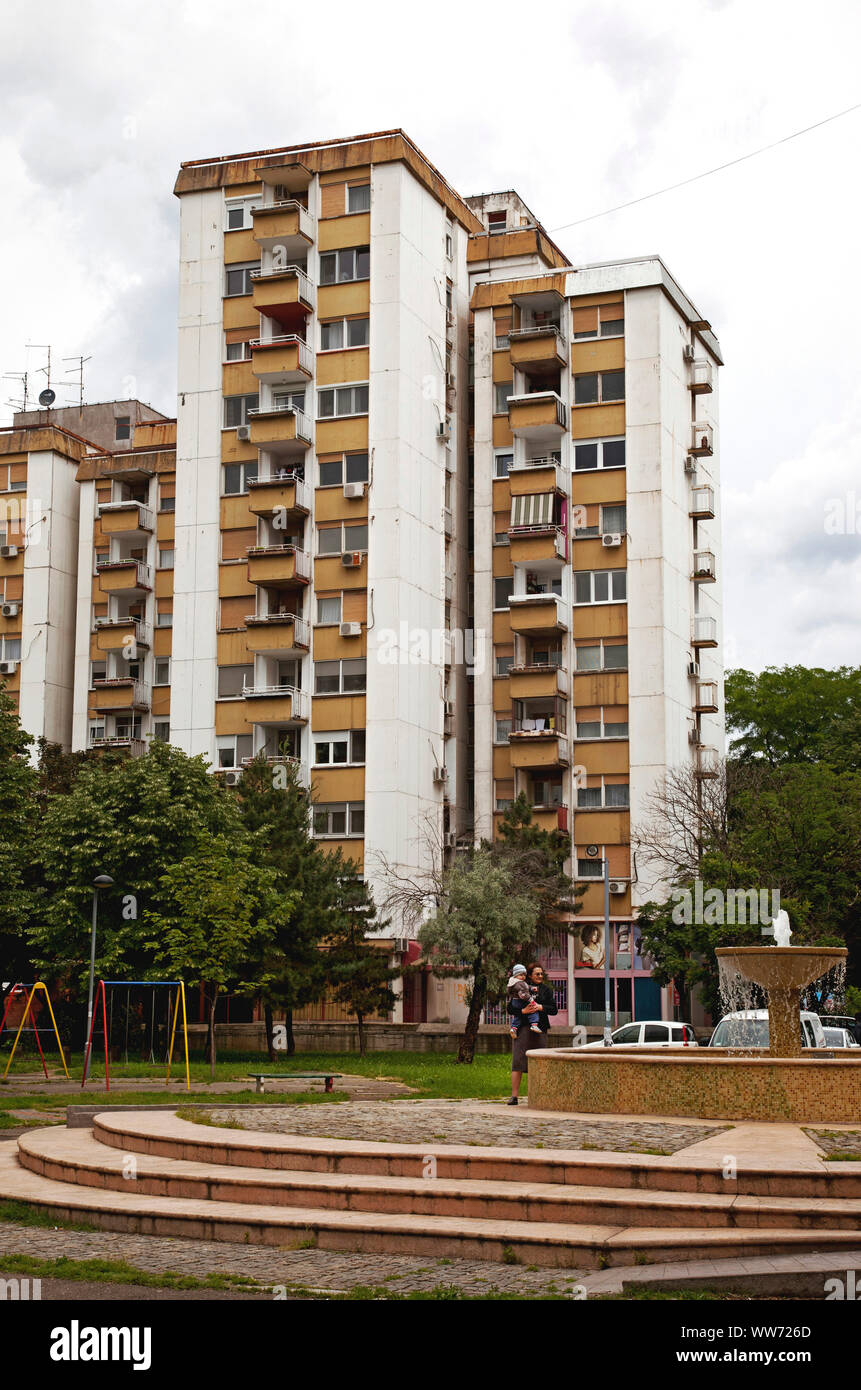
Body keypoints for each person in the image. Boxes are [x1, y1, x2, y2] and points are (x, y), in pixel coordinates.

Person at [507, 962, 558, 1105]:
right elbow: (510, 1007)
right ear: (530, 975)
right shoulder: (521, 986)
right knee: (518, 1061)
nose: (540, 976)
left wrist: (540, 1007)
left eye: (542, 974)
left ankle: (539, 1096)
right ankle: (514, 1096)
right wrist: (523, 1011)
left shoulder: (546, 990)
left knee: (539, 1063)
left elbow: (553, 1009)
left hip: (540, 1029)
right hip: (523, 1028)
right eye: (537, 974)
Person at [507, 965, 542, 1038]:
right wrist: (531, 1000)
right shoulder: (519, 983)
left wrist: (532, 988)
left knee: (518, 1016)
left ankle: (513, 1028)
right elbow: (523, 994)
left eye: (524, 975)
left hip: (515, 1002)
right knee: (533, 1010)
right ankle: (534, 1025)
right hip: (520, 1002)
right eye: (521, 975)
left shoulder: (513, 982)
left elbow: (526, 987)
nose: (523, 977)